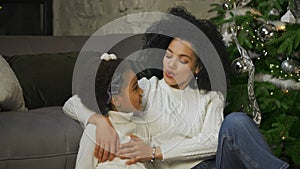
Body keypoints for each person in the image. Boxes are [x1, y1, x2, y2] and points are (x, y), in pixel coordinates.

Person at [64, 6, 289, 169]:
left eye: (183, 60)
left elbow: (212, 141)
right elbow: (72, 102)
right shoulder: (146, 88)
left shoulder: (210, 98)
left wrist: (156, 151)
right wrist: (97, 120)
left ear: (198, 67)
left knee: (236, 121)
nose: (171, 64)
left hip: (213, 165)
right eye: (168, 55)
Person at [64, 54, 150, 169]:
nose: (141, 91)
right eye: (135, 88)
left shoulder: (142, 126)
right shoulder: (94, 131)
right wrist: (98, 120)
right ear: (116, 99)